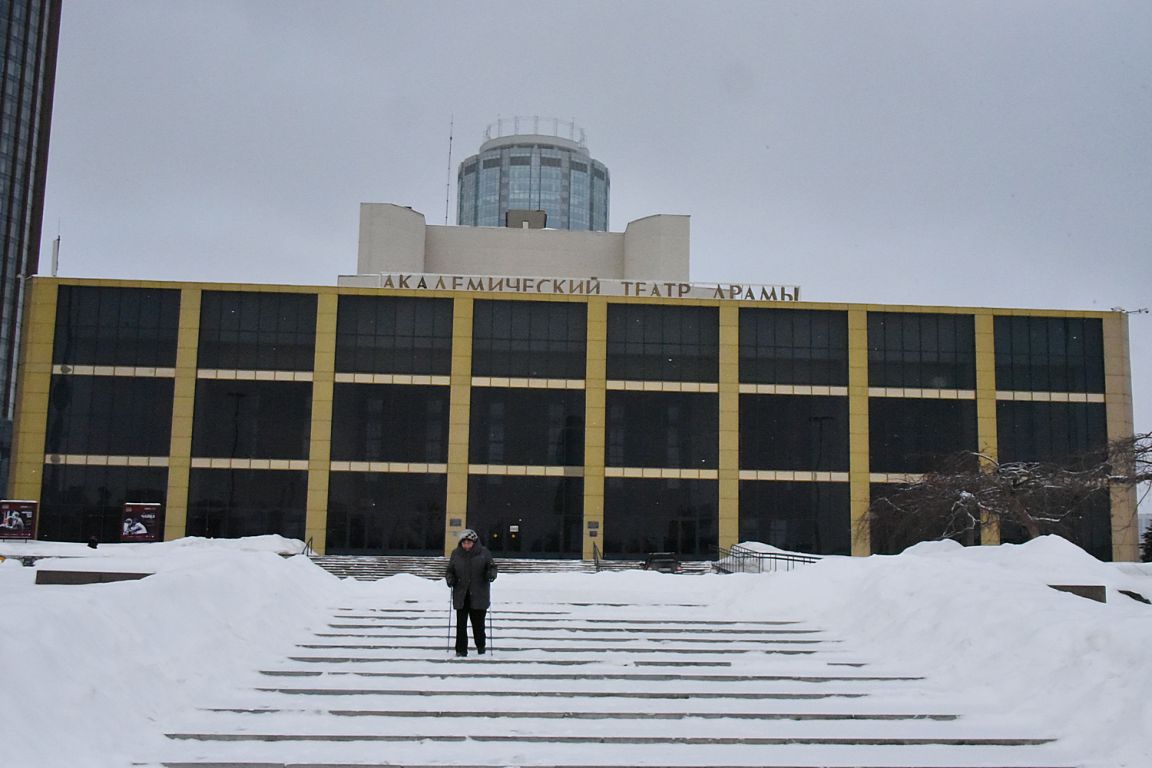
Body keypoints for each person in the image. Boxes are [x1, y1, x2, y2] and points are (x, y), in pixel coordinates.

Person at [445, 528, 497, 657]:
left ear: (474, 542)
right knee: (461, 624)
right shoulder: (456, 553)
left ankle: (481, 646)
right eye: (464, 543)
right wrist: (450, 579)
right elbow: (450, 570)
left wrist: (491, 574)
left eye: (469, 542)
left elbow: (492, 567)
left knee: (478, 624)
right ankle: (461, 649)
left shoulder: (484, 553)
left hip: (479, 593)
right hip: (461, 594)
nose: (466, 545)